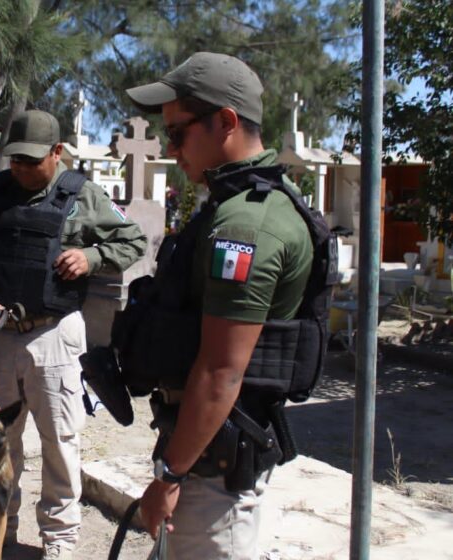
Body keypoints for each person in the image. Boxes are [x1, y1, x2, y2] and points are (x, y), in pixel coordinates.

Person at [126, 52, 319, 558]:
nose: (171, 148)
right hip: (201, 457)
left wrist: (169, 475)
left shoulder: (246, 226)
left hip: (213, 475)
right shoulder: (231, 207)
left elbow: (220, 371)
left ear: (226, 122)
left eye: (178, 132)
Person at [0, 110, 146, 560]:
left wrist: (91, 257)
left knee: (59, 441)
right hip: (3, 334)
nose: (19, 168)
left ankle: (59, 539)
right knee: (0, 441)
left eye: (31, 160)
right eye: (14, 159)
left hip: (56, 334)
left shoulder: (82, 195)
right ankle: (1, 527)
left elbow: (133, 241)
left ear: (57, 153)